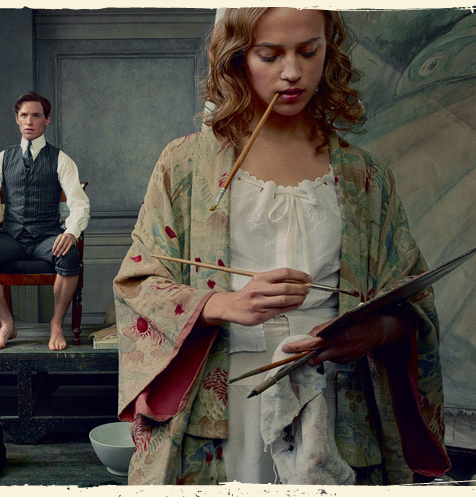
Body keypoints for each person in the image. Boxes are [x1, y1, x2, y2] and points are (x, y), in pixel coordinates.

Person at [113, 8, 449, 486]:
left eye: (309, 51)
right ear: (237, 58)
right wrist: (221, 304)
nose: (292, 72)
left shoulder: (366, 176)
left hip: (337, 400)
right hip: (226, 406)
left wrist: (374, 331)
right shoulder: (184, 165)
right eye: (269, 55)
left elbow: (414, 304)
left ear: (329, 50)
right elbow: (137, 284)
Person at [0, 91, 90, 351]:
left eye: (36, 115)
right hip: (11, 238)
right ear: (17, 119)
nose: (29, 121)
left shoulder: (61, 159)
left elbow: (79, 204)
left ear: (47, 120)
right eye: (24, 115)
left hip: (47, 237)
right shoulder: (3, 159)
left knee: (69, 255)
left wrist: (71, 232)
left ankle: (56, 324)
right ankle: (7, 323)